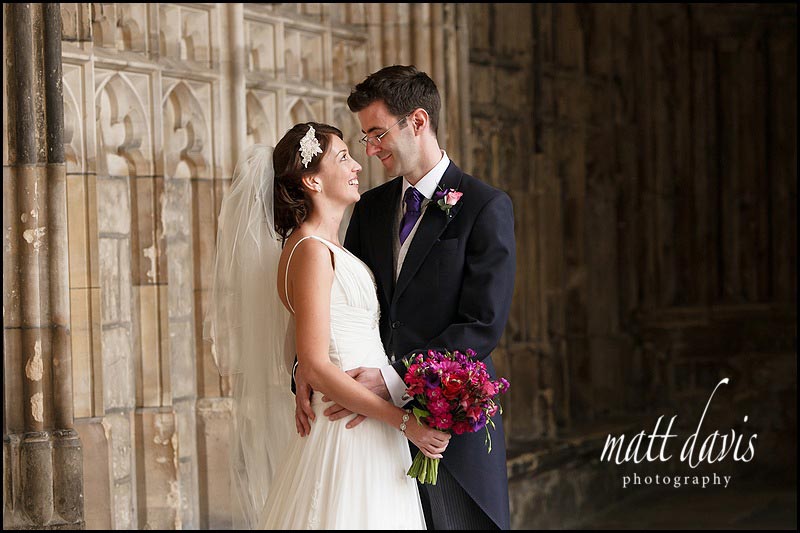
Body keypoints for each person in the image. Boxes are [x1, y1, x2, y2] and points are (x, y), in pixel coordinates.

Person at [294, 66, 516, 530]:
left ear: (417, 121)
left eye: (377, 134)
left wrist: (394, 377)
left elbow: (481, 325)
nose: (370, 150)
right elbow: (338, 302)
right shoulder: (369, 208)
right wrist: (306, 370)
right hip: (370, 432)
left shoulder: (484, 206)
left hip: (452, 433)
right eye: (365, 138)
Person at [205, 122, 451, 530]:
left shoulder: (325, 248)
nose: (357, 166)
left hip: (367, 419)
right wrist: (405, 423)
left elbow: (303, 346)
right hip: (348, 429)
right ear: (313, 180)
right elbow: (318, 366)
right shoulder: (310, 251)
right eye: (343, 157)